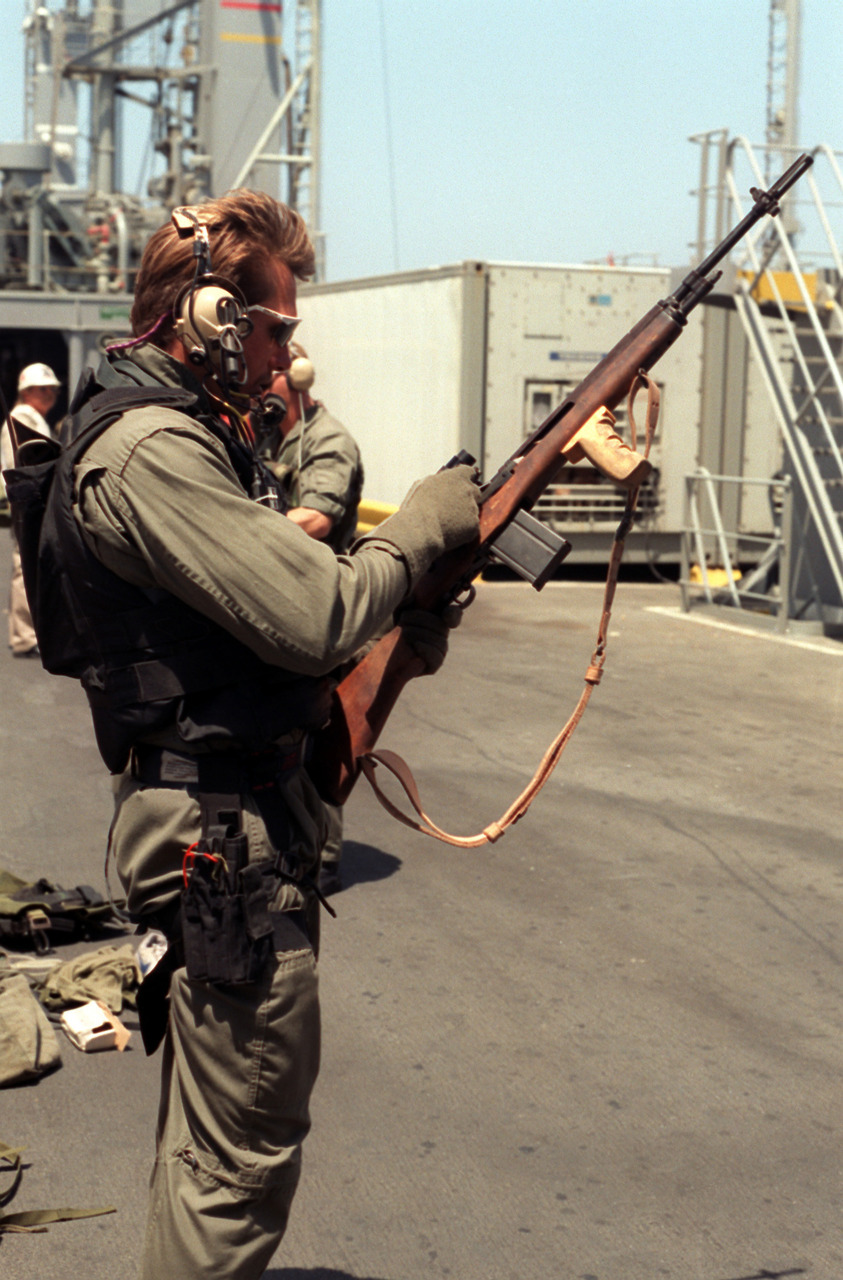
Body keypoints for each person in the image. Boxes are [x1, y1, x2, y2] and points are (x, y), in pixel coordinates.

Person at [11, 190, 479, 1280]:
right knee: (237, 1167)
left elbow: (276, 615)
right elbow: (312, 608)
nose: (285, 352)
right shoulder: (152, 450)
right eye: (278, 326)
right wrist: (422, 528)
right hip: (221, 842)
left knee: (210, 1148)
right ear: (215, 314)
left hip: (230, 824)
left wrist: (396, 626)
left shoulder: (188, 432)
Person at [252, 351, 363, 895]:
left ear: (295, 381)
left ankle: (324, 859)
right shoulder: (267, 436)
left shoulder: (328, 441)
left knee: (321, 736)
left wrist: (244, 533)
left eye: (268, 379)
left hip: (325, 612)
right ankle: (294, 842)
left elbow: (317, 519)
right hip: (283, 606)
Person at [0, 362, 60, 656]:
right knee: (25, 567)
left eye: (51, 389)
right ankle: (25, 638)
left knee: (32, 565)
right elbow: (21, 465)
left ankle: (31, 634)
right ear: (26, 392)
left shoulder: (32, 417)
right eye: (41, 389)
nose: (48, 394)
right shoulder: (22, 418)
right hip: (28, 500)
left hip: (30, 499)